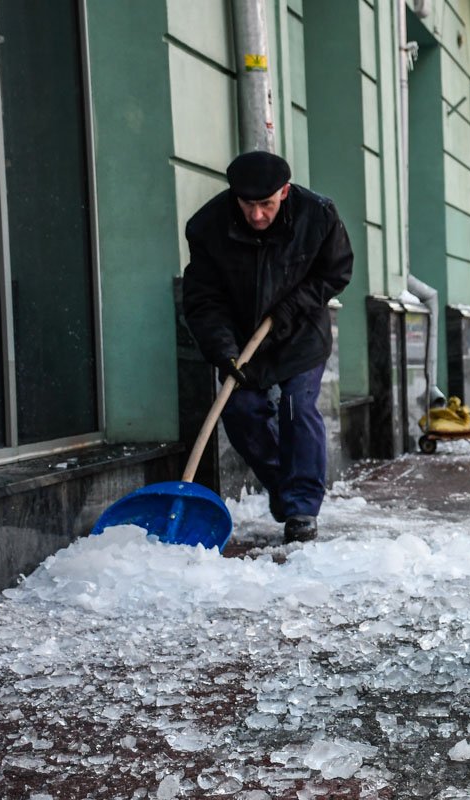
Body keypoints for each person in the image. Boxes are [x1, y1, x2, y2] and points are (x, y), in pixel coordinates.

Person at [183, 151, 353, 543]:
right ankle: (285, 487)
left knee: (297, 404)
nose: (257, 215)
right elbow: (203, 300)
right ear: (234, 197)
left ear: (285, 192)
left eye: (267, 205)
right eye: (248, 205)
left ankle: (302, 509)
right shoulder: (207, 227)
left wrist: (291, 306)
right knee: (241, 411)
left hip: (301, 333)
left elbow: (337, 271)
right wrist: (223, 350)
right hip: (244, 340)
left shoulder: (319, 215)